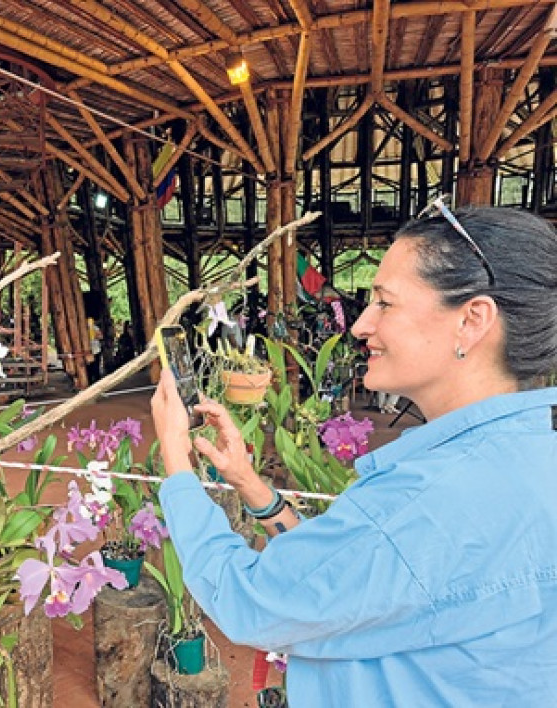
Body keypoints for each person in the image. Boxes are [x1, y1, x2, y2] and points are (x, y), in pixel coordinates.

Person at [151, 205, 557, 705]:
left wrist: (176, 462)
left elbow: (248, 601)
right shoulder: (533, 461)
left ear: (472, 320)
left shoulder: (423, 501)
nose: (361, 324)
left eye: (385, 303)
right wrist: (250, 485)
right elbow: (360, 577)